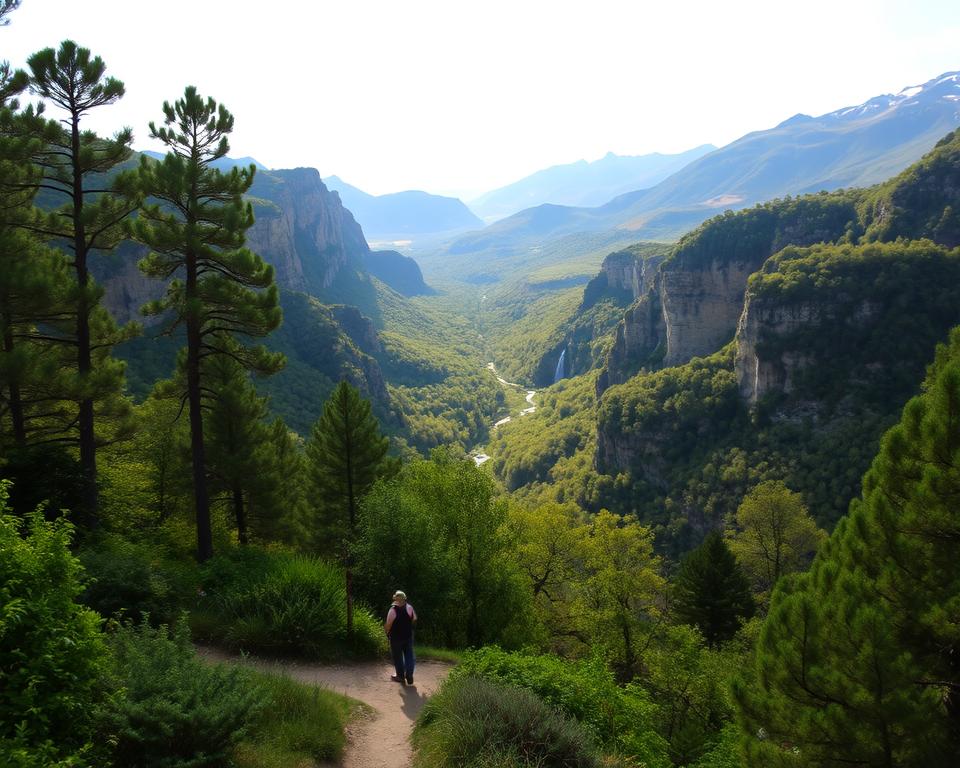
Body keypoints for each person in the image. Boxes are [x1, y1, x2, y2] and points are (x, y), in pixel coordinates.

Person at [385, 589, 417, 684]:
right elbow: (414, 618)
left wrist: (387, 632)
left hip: (396, 638)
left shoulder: (392, 610)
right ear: (404, 599)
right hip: (408, 636)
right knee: (409, 655)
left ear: (396, 599)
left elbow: (388, 625)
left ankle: (400, 676)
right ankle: (409, 675)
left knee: (398, 657)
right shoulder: (409, 607)